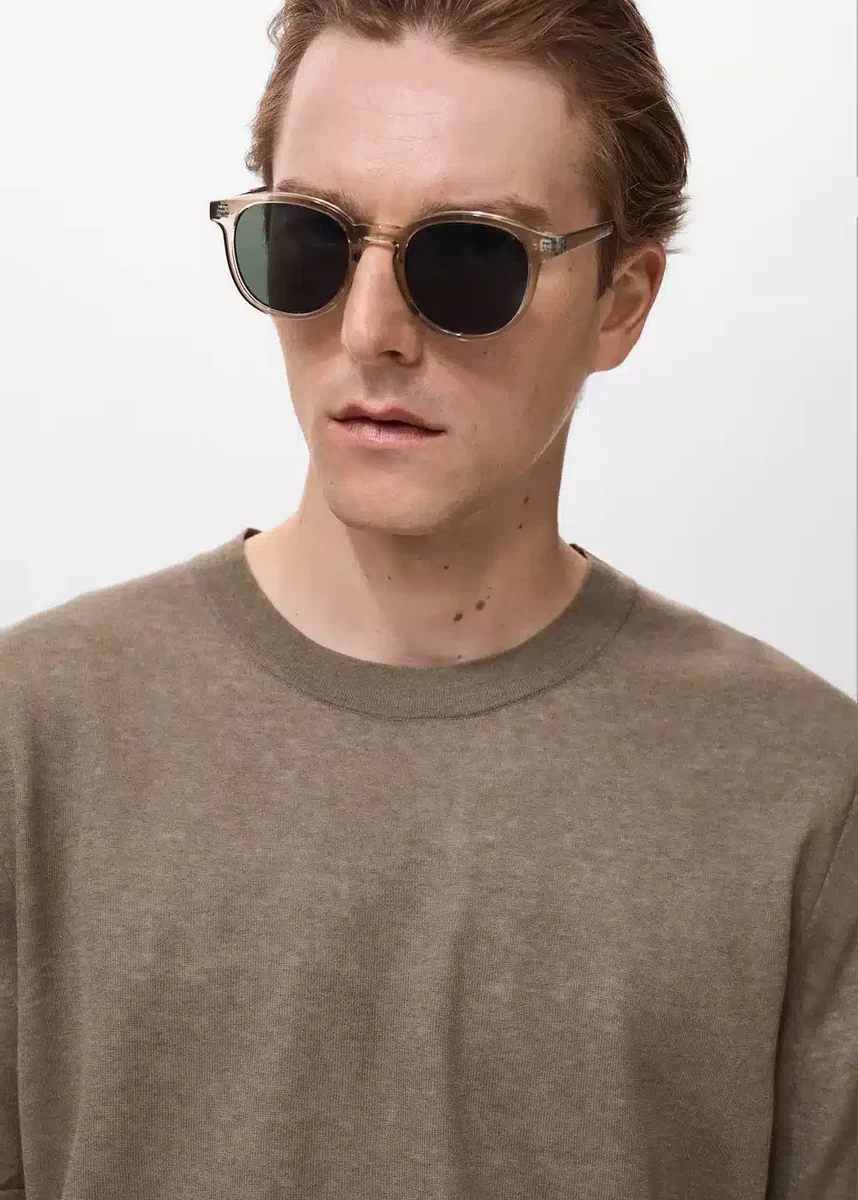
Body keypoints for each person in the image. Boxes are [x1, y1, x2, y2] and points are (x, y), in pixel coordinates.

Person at [0, 1, 855, 1197]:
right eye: (309, 239)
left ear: (621, 300)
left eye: (468, 259)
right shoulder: (30, 738)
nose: (369, 330)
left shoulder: (807, 791)